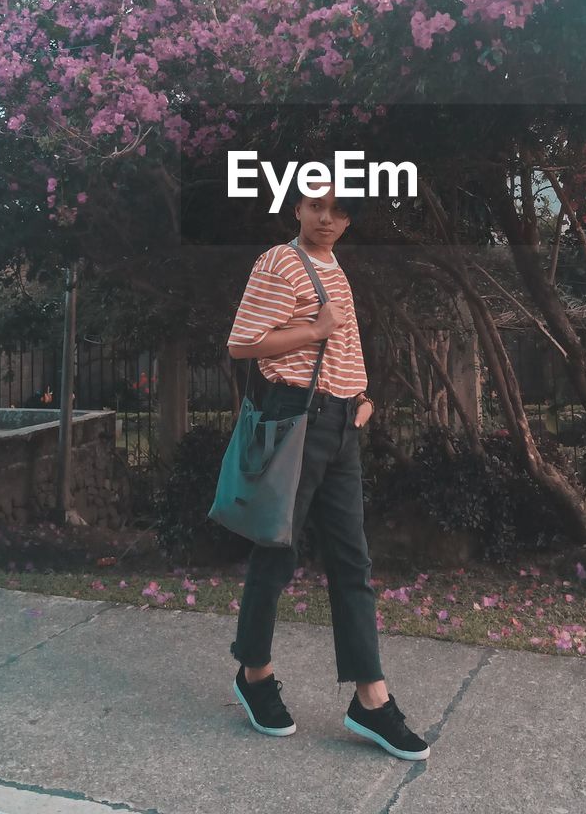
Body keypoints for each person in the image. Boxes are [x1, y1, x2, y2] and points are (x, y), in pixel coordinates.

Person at [225, 168, 430, 762]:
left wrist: (360, 398)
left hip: (340, 424)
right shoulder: (279, 263)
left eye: (340, 210)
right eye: (317, 204)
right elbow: (242, 343)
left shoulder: (334, 267)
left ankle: (371, 701)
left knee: (352, 562)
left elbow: (342, 345)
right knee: (277, 550)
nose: (327, 217)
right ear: (297, 206)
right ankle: (254, 674)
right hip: (297, 420)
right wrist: (312, 330)